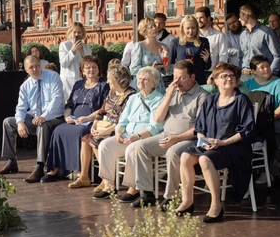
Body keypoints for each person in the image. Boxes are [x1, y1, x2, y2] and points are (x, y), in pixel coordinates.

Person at [175, 63, 256, 223]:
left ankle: (216, 205)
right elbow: (199, 127)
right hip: (210, 143)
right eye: (224, 76)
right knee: (185, 156)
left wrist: (223, 142)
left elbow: (247, 131)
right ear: (215, 81)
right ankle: (188, 200)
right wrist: (203, 141)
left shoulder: (241, 100)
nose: (229, 79)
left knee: (205, 159)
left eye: (232, 76)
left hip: (233, 146)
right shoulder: (211, 100)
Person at [122, 60, 208, 209]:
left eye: (182, 78)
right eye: (175, 77)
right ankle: (146, 193)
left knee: (172, 153)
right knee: (138, 147)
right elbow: (158, 118)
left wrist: (176, 138)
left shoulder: (202, 96)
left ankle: (171, 197)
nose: (177, 81)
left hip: (188, 139)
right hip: (166, 135)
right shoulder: (173, 92)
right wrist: (168, 95)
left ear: (193, 77)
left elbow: (200, 128)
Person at [94, 67, 164, 200]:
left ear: (154, 84)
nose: (141, 82)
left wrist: (137, 137)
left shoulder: (159, 100)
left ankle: (134, 188)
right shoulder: (134, 98)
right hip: (127, 136)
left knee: (133, 148)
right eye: (139, 79)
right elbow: (123, 120)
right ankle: (109, 186)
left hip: (143, 138)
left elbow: (156, 126)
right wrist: (118, 132)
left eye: (145, 79)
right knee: (105, 145)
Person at [41, 56, 109, 185]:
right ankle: (55, 169)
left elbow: (104, 109)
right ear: (82, 71)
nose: (91, 70)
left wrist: (87, 118)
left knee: (80, 132)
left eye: (94, 67)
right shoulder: (78, 84)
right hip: (74, 119)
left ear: (99, 69)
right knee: (58, 130)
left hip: (92, 121)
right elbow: (69, 104)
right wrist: (67, 117)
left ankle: (80, 172)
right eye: (87, 67)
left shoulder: (104, 85)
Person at [0, 55, 65, 183]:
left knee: (43, 125)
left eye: (36, 66)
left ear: (40, 64)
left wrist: (44, 116)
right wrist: (19, 123)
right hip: (36, 118)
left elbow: (57, 100)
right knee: (8, 122)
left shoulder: (53, 77)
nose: (35, 69)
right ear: (26, 70)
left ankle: (40, 166)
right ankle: (11, 161)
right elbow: (21, 108)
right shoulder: (25, 86)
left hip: (54, 118)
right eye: (31, 67)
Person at [80, 64, 136, 197]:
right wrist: (94, 124)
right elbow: (102, 110)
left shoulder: (130, 95)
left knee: (95, 140)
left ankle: (107, 181)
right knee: (86, 138)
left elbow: (124, 119)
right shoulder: (112, 92)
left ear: (117, 80)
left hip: (118, 129)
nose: (107, 81)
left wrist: (107, 131)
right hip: (105, 127)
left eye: (110, 79)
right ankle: (84, 176)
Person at [239, 4, 280, 77]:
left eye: (240, 16)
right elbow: (241, 56)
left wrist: (270, 74)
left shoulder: (267, 32)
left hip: (262, 74)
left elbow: (278, 56)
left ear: (246, 16)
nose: (239, 19)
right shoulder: (242, 35)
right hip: (245, 75)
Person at [130, 17, 168, 93]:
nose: (154, 28)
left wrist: (165, 58)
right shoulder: (139, 46)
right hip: (143, 85)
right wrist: (151, 69)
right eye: (150, 27)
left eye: (154, 25)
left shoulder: (164, 46)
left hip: (157, 84)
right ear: (144, 30)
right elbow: (133, 69)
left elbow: (166, 69)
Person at [169, 16, 211, 85]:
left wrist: (206, 60)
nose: (191, 31)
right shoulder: (175, 42)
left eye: (193, 28)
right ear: (182, 28)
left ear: (197, 28)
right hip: (181, 81)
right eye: (188, 28)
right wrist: (183, 64)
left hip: (198, 80)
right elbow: (171, 65)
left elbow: (207, 66)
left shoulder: (203, 42)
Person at [59, 22, 92, 100]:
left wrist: (82, 53)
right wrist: (73, 51)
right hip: (68, 82)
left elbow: (89, 64)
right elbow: (64, 64)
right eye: (74, 32)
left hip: (82, 80)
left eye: (79, 32)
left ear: (82, 34)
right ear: (70, 33)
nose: (77, 34)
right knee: (68, 104)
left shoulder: (86, 47)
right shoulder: (65, 45)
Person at [196, 6, 228, 72]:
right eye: (197, 18)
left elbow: (223, 56)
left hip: (212, 73)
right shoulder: (193, 36)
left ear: (208, 19)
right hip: (196, 73)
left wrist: (216, 72)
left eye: (201, 18)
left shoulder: (219, 36)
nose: (198, 20)